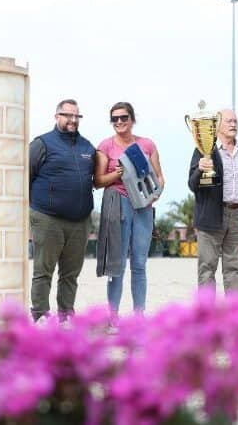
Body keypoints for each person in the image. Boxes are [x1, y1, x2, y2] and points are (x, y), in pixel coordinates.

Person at [94, 102, 164, 315]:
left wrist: (155, 194)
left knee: (139, 264)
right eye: (114, 119)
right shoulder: (105, 146)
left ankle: (138, 317)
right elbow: (97, 181)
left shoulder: (147, 144)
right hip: (118, 203)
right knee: (117, 266)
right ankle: (113, 316)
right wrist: (118, 173)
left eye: (123, 117)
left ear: (132, 119)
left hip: (143, 206)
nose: (119, 122)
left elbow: (159, 177)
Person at [29, 99, 96, 322]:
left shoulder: (88, 147)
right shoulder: (42, 144)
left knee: (71, 274)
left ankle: (66, 315)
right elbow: (24, 178)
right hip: (48, 218)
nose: (73, 120)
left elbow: (95, 179)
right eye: (68, 115)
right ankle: (40, 314)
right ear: (56, 116)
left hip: (80, 221)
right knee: (43, 270)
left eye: (77, 116)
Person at [188, 109, 238, 293]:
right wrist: (200, 169)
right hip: (210, 217)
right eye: (229, 121)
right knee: (207, 268)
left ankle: (232, 315)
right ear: (217, 126)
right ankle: (207, 315)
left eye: (235, 121)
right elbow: (192, 185)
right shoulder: (203, 149)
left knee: (233, 269)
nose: (233, 124)